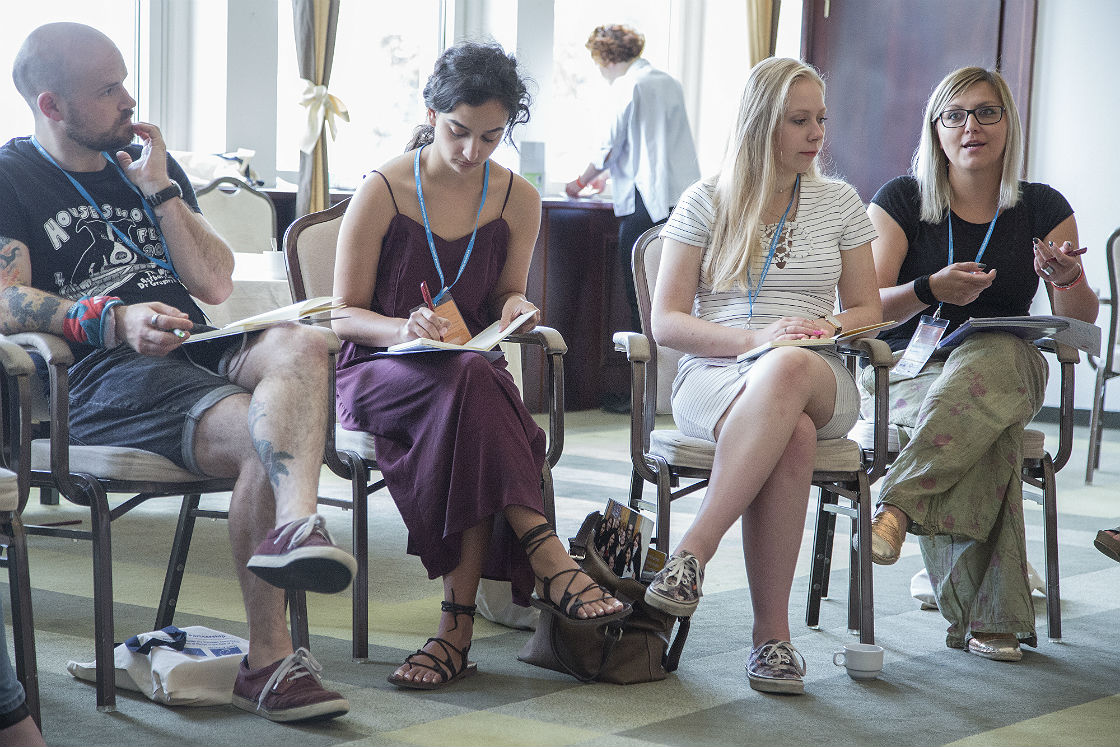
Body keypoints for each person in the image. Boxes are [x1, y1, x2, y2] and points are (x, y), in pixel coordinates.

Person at [0, 23, 357, 722]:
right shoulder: (11, 175)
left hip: (195, 342)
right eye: (108, 90)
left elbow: (215, 282)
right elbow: (6, 298)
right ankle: (269, 662)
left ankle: (297, 523)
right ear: (51, 104)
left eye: (125, 81)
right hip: (103, 370)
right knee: (264, 433)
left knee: (304, 343)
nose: (129, 100)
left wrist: (161, 190)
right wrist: (111, 320)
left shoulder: (143, 166)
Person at [331, 41, 627, 691]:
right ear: (431, 114)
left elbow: (504, 296)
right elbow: (341, 315)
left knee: (470, 390)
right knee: (476, 391)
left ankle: (455, 632)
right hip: (379, 369)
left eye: (491, 137)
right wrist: (401, 327)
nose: (472, 150)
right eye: (458, 131)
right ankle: (547, 557)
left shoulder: (518, 197)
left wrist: (517, 306)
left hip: (465, 371)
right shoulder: (383, 189)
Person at [641, 57, 882, 695]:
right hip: (716, 374)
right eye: (799, 120)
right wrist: (756, 339)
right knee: (791, 435)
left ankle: (692, 552)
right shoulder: (705, 200)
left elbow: (867, 308)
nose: (817, 134)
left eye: (821, 119)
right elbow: (667, 321)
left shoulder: (840, 202)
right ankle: (772, 639)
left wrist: (819, 328)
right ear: (760, 124)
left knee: (789, 367)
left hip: (819, 370)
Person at [862, 67, 1099, 663]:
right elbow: (864, 307)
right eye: (955, 114)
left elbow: (1078, 321)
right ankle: (992, 621)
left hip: (1008, 362)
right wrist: (929, 289)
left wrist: (1067, 279)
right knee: (985, 434)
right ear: (936, 128)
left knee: (988, 362)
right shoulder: (901, 199)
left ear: (1008, 123)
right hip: (911, 367)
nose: (971, 126)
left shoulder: (1042, 205)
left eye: (986, 112)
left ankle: (898, 503)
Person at [564, 24, 700, 412]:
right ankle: (676, 390)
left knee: (641, 298)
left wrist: (579, 182)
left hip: (646, 206)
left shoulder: (628, 84)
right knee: (679, 301)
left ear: (606, 57)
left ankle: (645, 394)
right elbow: (652, 147)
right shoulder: (668, 82)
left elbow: (609, 146)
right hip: (681, 203)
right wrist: (608, 178)